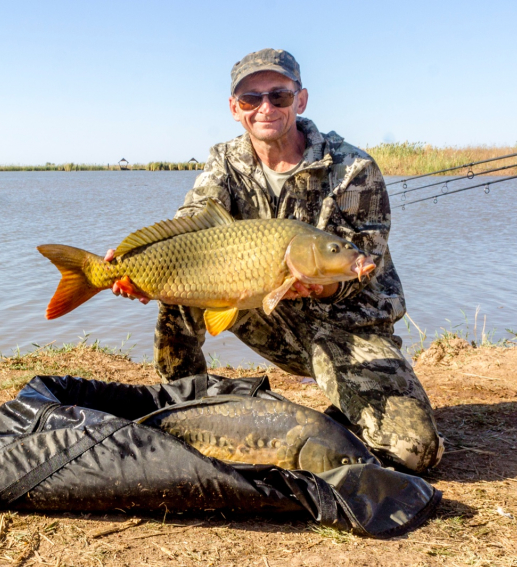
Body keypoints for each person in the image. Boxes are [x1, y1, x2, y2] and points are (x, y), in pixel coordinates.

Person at [107, 48, 443, 473]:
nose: (265, 108)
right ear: (235, 108)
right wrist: (134, 263)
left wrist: (325, 285)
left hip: (342, 324)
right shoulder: (225, 162)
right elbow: (193, 222)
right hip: (260, 307)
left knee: (413, 452)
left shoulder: (353, 169)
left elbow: (364, 262)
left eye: (279, 96)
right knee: (180, 291)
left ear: (300, 100)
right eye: (251, 99)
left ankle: (337, 418)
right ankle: (183, 409)